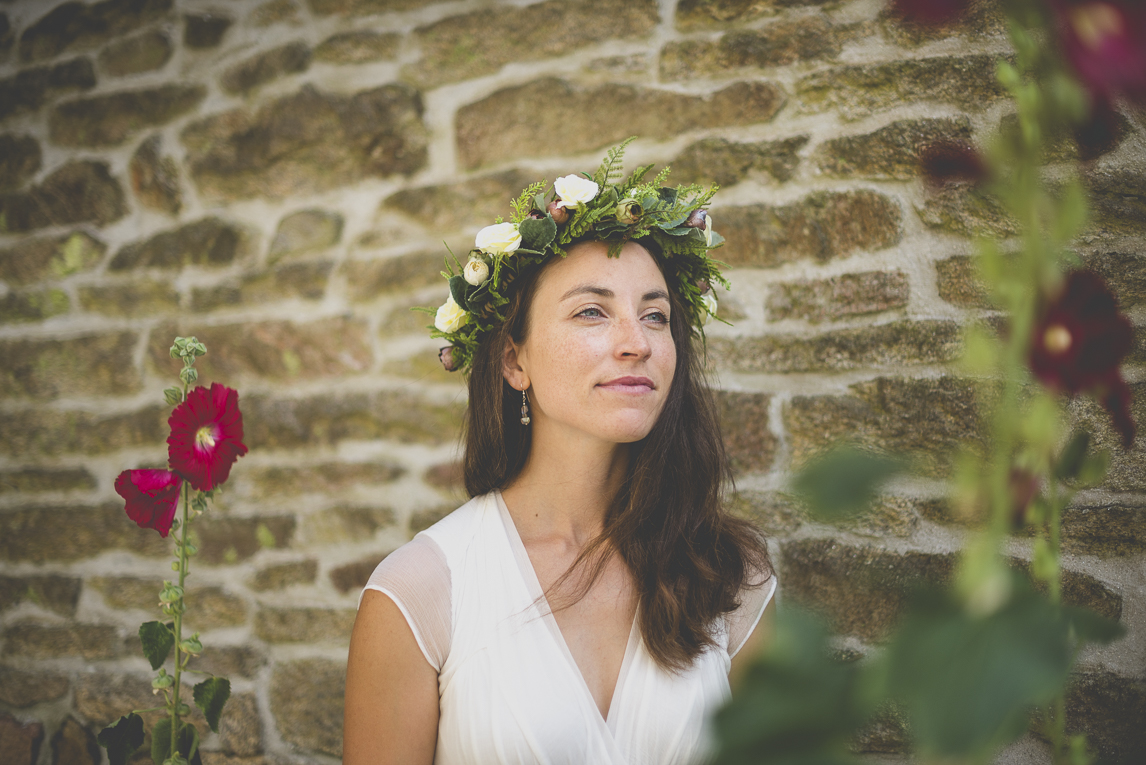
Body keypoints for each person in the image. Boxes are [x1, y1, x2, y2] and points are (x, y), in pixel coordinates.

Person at [342, 141, 776, 765]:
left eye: (656, 317)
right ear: (514, 361)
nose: (637, 342)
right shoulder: (422, 593)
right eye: (593, 312)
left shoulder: (730, 576)